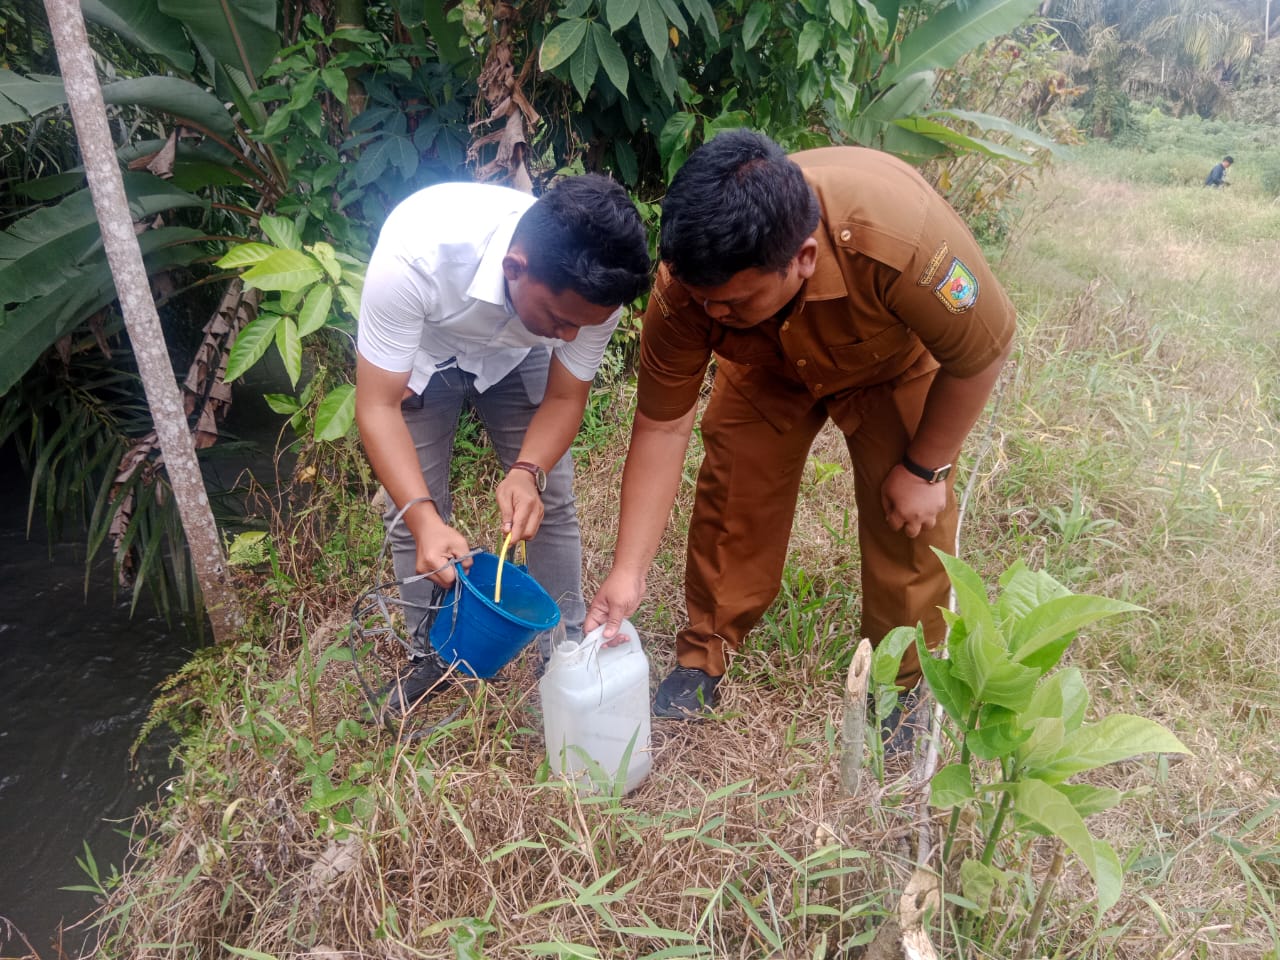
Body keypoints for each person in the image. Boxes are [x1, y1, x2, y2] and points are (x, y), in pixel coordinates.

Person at [584, 130, 1015, 748]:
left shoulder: (903, 241)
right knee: (735, 484)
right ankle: (704, 652)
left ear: (803, 259)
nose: (711, 315)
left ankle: (902, 681)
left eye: (730, 303)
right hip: (766, 366)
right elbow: (662, 424)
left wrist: (927, 468)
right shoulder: (691, 291)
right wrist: (627, 573)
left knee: (909, 525)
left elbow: (981, 352)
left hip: (887, 361)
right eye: (702, 301)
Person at [356, 174, 650, 710]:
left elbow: (564, 398)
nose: (569, 337)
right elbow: (376, 405)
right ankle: (434, 656)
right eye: (561, 321)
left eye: (582, 328)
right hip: (421, 353)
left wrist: (527, 471)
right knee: (414, 512)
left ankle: (562, 654)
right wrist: (424, 518)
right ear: (515, 267)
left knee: (549, 500)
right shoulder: (414, 255)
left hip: (515, 353)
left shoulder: (589, 302)